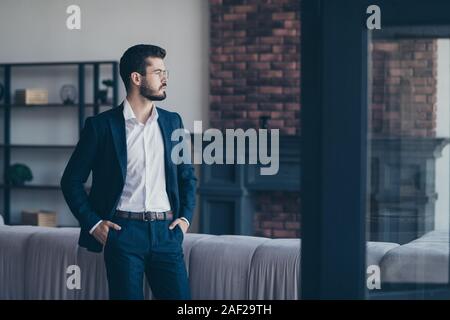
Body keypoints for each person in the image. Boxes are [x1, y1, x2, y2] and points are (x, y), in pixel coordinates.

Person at [60, 44, 197, 300]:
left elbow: (187, 176)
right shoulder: (101, 126)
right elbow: (71, 181)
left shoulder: (173, 122)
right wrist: (93, 224)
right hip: (122, 235)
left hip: (167, 234)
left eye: (165, 72)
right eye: (158, 72)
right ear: (136, 78)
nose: (165, 78)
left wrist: (185, 220)